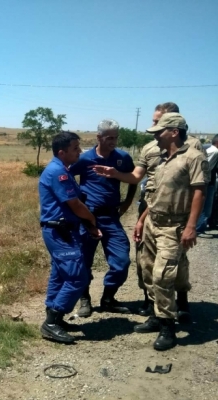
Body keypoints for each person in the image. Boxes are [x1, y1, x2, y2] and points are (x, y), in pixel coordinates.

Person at [97, 112, 207, 350]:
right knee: (147, 271)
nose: (155, 135)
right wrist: (141, 219)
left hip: (174, 226)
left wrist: (191, 226)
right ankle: (156, 317)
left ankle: (168, 327)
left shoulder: (194, 157)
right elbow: (152, 195)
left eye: (160, 131)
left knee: (162, 276)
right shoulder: (163, 159)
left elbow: (200, 191)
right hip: (152, 222)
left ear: (174, 132)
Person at [39, 131, 102, 344]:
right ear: (62, 152)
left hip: (62, 231)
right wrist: (92, 221)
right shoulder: (59, 173)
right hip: (60, 233)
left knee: (60, 274)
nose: (80, 151)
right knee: (77, 277)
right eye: (76, 148)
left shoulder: (61, 169)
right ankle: (52, 322)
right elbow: (74, 204)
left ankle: (53, 316)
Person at [69, 119, 137, 317]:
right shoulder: (84, 159)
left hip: (111, 217)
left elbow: (133, 178)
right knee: (83, 261)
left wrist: (127, 202)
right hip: (87, 217)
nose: (113, 141)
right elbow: (67, 176)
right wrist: (76, 201)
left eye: (116, 137)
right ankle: (85, 300)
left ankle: (108, 298)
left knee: (122, 261)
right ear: (99, 137)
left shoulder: (123, 158)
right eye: (109, 138)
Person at [196, 134, 218, 237]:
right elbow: (205, 167)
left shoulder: (209, 149)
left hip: (207, 182)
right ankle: (199, 228)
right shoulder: (214, 151)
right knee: (206, 206)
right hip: (207, 182)